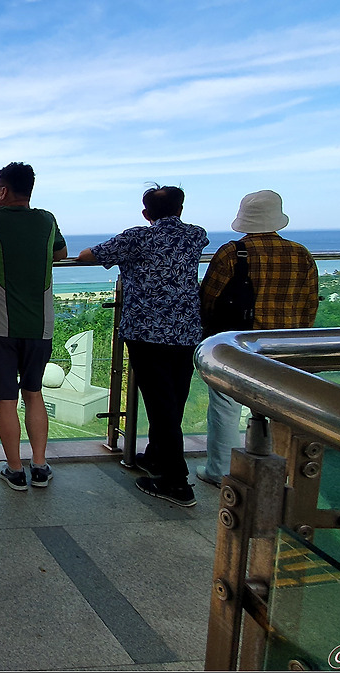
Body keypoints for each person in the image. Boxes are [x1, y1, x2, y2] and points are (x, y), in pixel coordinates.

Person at [78, 184, 209, 507]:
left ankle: (177, 482)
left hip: (147, 333)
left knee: (160, 406)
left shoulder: (137, 237)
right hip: (186, 331)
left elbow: (87, 256)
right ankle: (156, 457)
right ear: (180, 209)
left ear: (146, 213)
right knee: (173, 401)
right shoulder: (196, 235)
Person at [197, 190, 318, 487]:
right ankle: (279, 474)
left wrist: (207, 335)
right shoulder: (300, 254)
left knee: (226, 405)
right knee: (281, 409)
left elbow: (208, 298)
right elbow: (309, 303)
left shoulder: (232, 252)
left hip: (237, 345)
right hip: (285, 345)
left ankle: (221, 471)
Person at [0, 162, 67, 492]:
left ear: (3, 190)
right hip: (41, 327)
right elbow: (61, 252)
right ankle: (39, 466)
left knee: (6, 401)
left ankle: (15, 470)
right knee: (34, 393)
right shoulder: (47, 219)